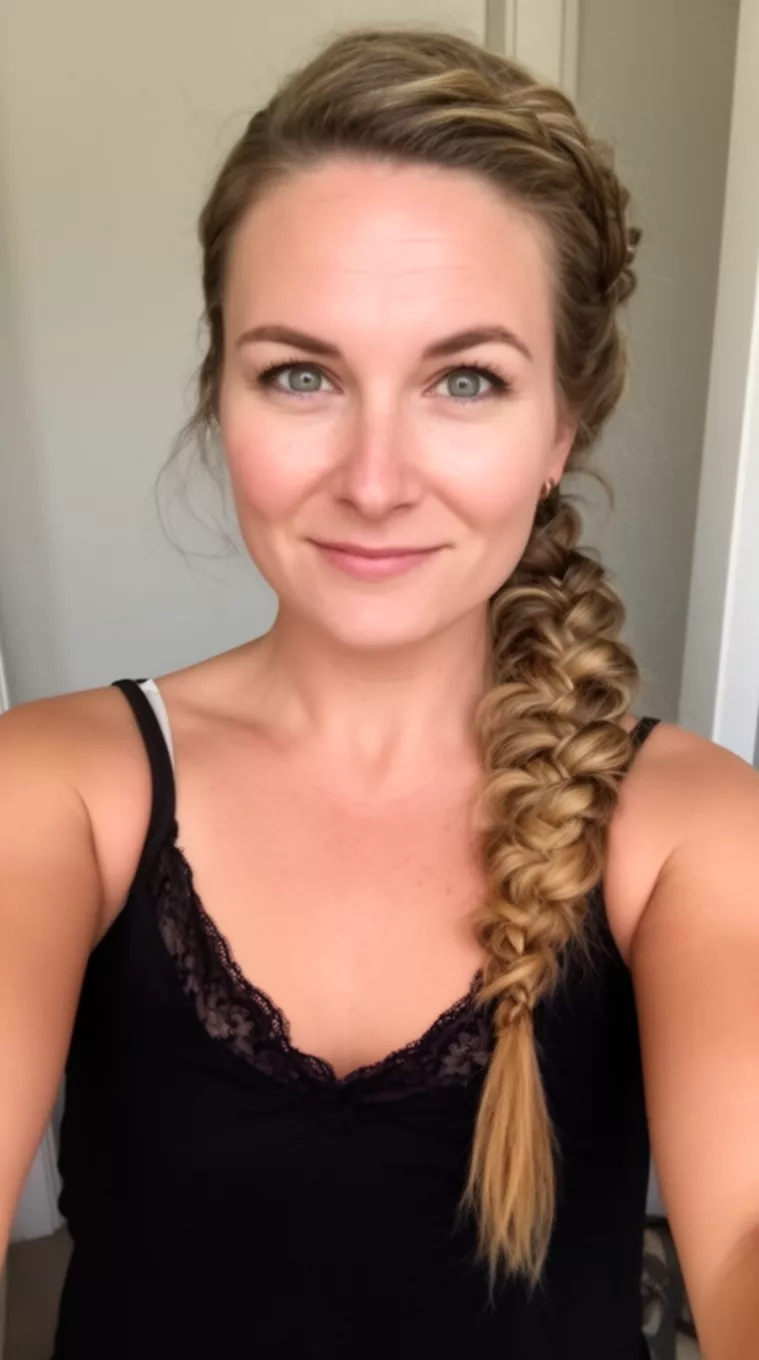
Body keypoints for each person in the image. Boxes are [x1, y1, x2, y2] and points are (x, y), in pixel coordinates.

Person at [1, 24, 757, 1360]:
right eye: (301, 373)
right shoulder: (59, 787)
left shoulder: (687, 826)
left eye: (464, 380)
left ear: (559, 427)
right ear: (218, 392)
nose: (372, 477)